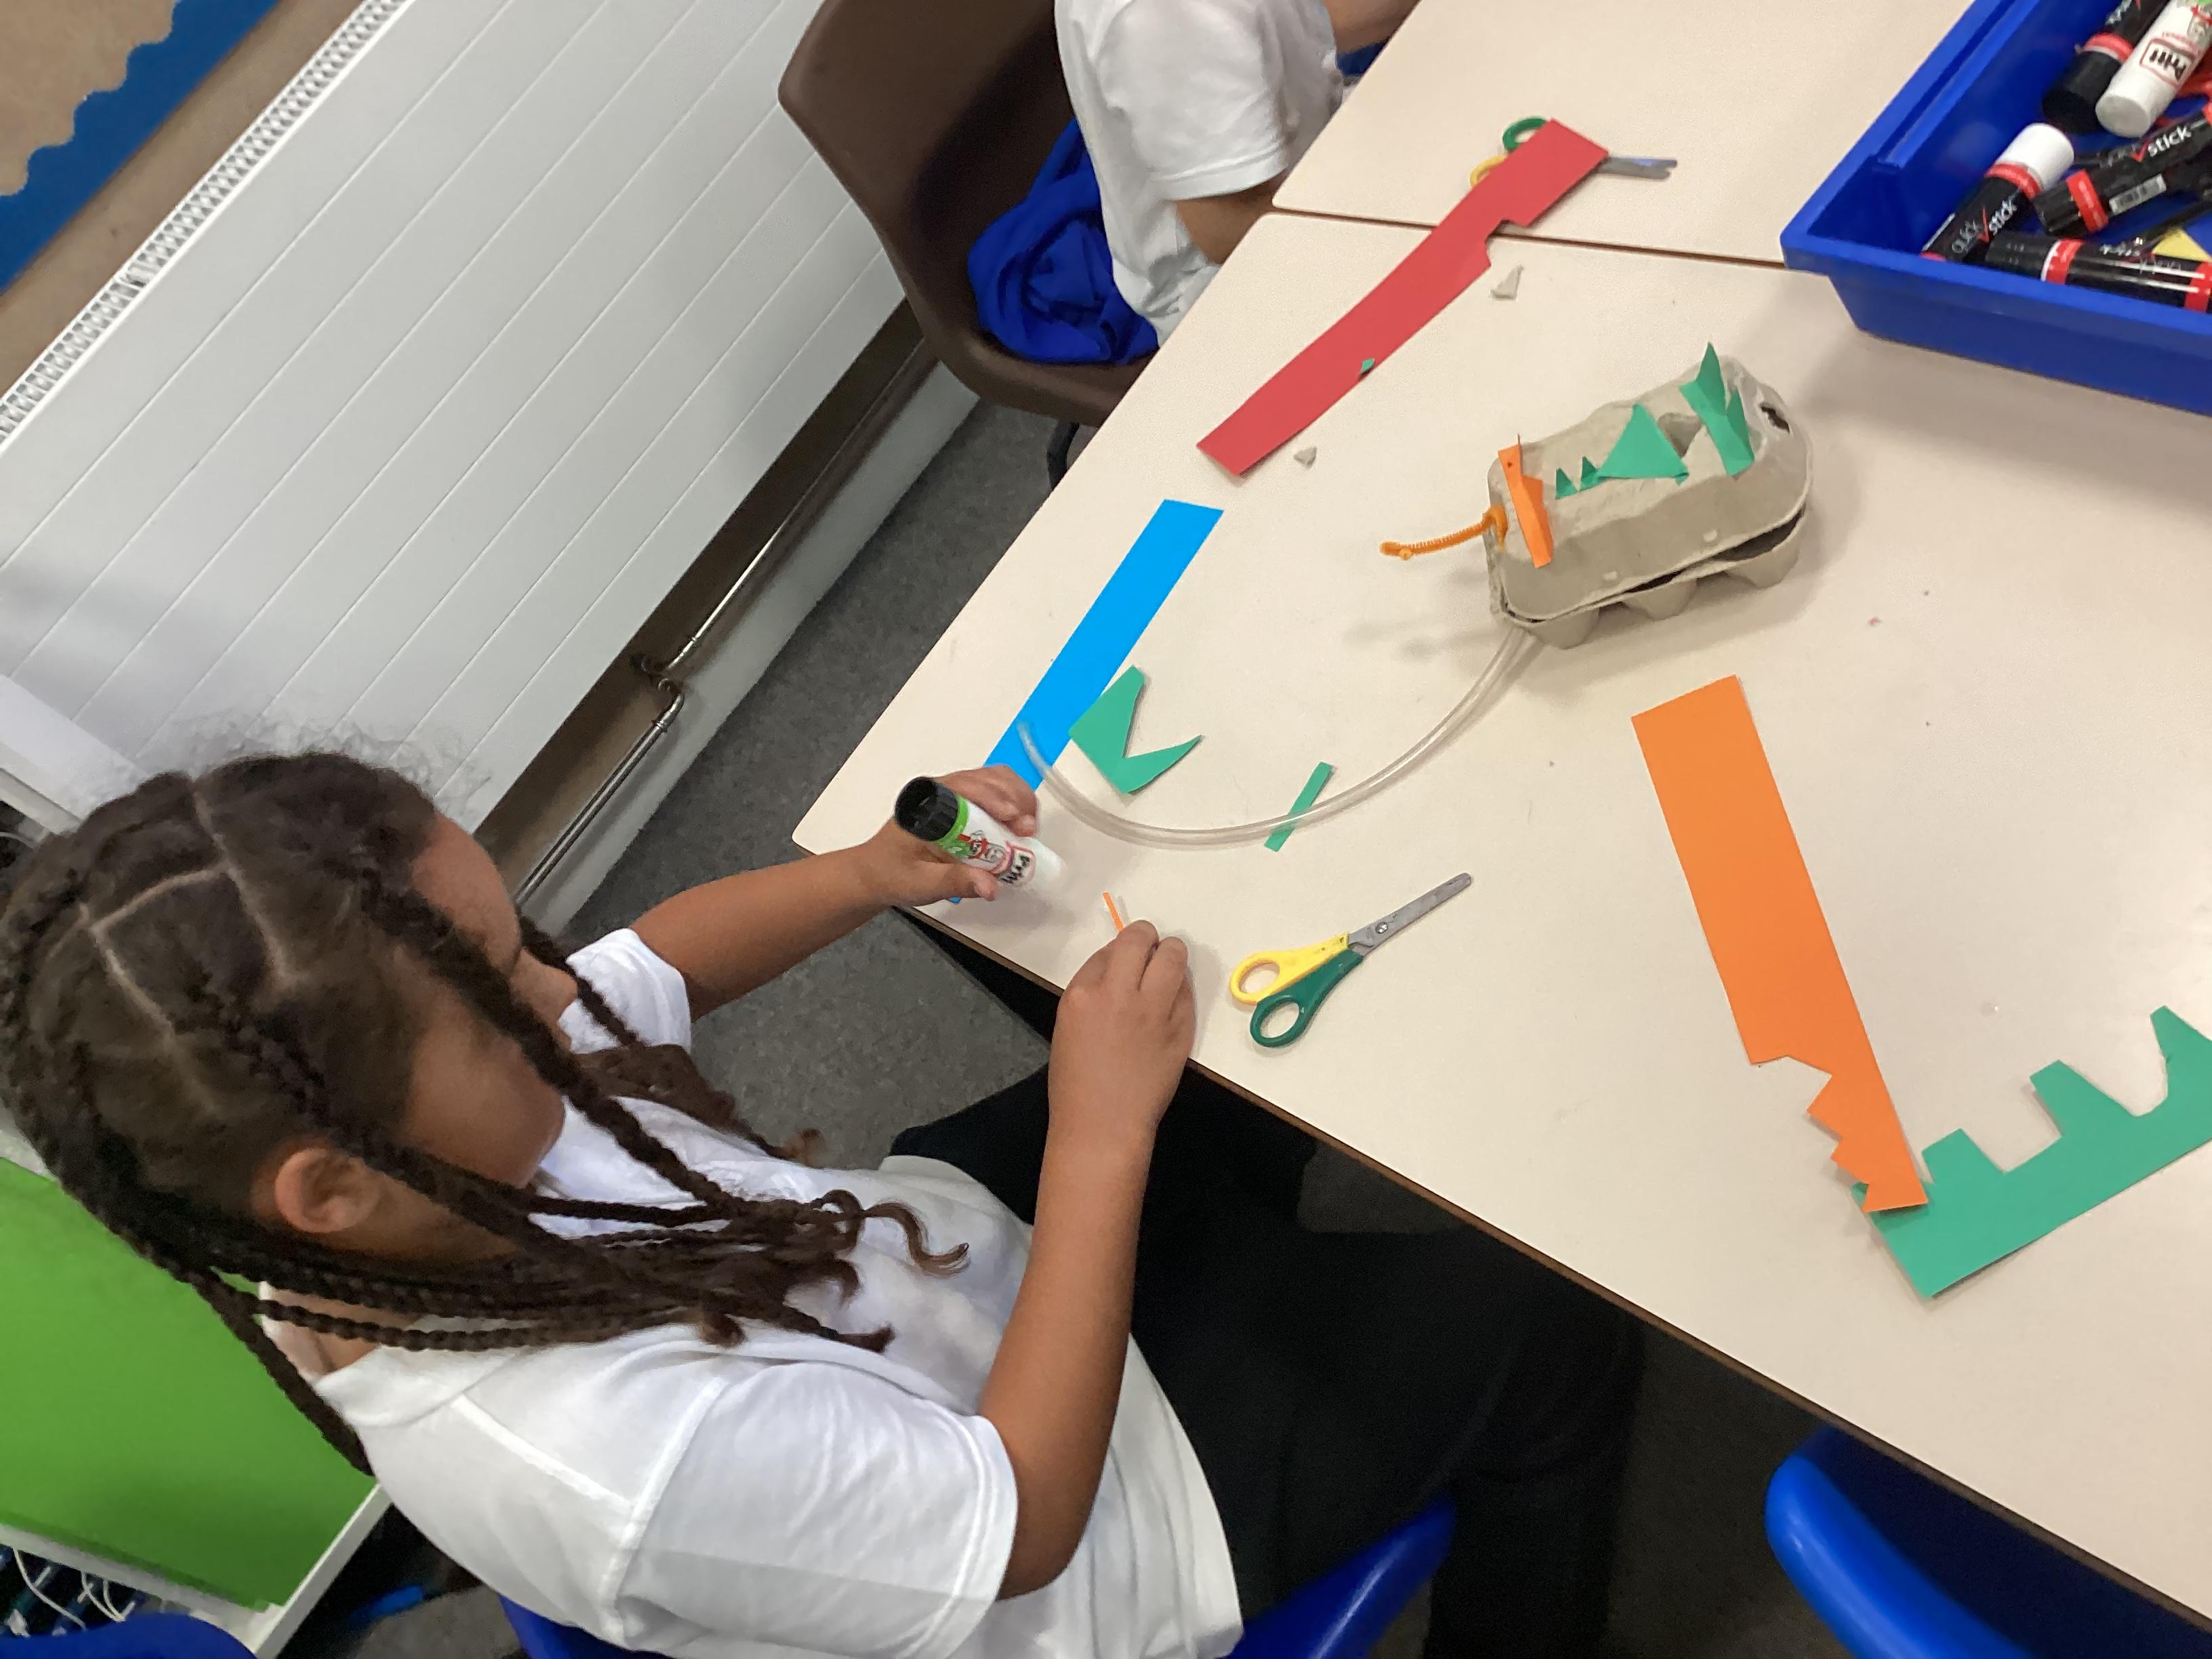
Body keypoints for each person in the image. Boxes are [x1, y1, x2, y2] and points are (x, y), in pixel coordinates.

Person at [0, 752, 1640, 1658]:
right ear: (334, 1182)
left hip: (922, 1279)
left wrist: (867, 871)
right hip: (1085, 1529)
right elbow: (1024, 1516)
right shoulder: (616, 1462)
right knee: (1552, 1339)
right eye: (501, 992)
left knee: (1195, 1047)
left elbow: (652, 963)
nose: (558, 989)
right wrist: (1096, 1144)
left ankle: (1242, 1253)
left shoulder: (377, 1185)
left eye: (515, 939)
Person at [1057, 0, 1419, 340]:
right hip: (1243, 284)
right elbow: (1230, 232)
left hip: (1312, 166)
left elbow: (1305, 18)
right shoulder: (1168, 15)